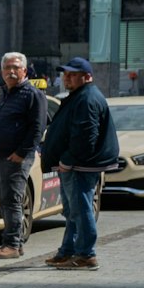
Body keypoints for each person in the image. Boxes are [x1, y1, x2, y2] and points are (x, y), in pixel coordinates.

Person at [41, 56, 120, 270]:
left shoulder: (87, 98)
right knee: (73, 210)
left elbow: (86, 137)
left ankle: (86, 254)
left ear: (87, 77)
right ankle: (68, 251)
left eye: (73, 74)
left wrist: (68, 160)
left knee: (80, 209)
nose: (67, 78)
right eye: (65, 74)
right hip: (76, 165)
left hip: (79, 166)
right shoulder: (80, 95)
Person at [0, 51, 45, 259]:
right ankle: (12, 242)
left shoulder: (32, 94)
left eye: (15, 67)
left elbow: (37, 128)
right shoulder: (5, 94)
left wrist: (21, 153)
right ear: (2, 72)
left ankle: (12, 245)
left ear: (24, 70)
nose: (11, 71)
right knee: (4, 200)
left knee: (12, 201)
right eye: (7, 68)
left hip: (14, 159)